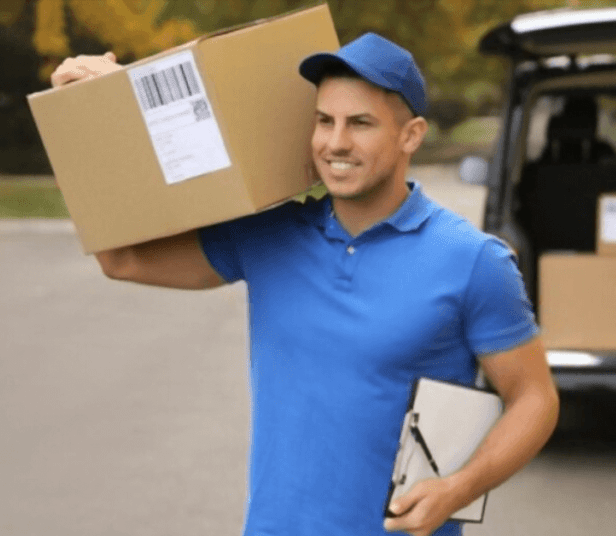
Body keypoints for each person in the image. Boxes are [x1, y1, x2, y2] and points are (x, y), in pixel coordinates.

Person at [50, 32, 559, 536]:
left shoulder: (472, 261)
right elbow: (120, 258)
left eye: (360, 123)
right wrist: (86, 114)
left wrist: (459, 488)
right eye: (324, 121)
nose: (335, 142)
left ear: (411, 135)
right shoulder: (270, 236)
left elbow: (534, 399)